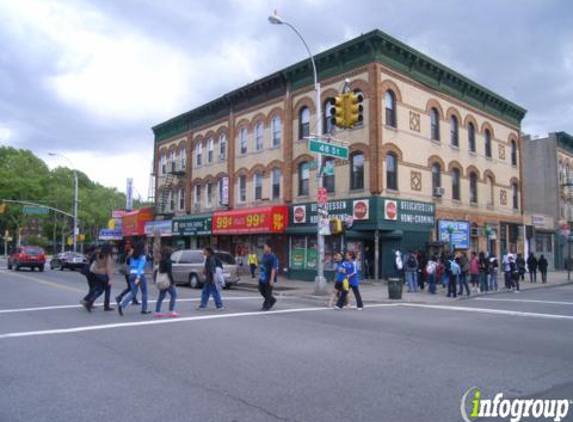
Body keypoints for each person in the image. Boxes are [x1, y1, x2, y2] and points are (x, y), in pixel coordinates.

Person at [117, 241, 150, 316]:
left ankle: (122, 305)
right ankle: (144, 309)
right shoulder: (142, 256)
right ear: (142, 247)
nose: (146, 247)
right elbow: (140, 267)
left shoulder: (132, 256)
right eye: (145, 246)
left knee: (133, 293)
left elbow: (129, 264)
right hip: (140, 274)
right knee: (144, 292)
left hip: (131, 274)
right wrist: (138, 277)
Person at [83, 243, 113, 312]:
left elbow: (92, 262)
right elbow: (108, 268)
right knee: (107, 289)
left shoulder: (97, 254)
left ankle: (89, 302)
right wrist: (110, 279)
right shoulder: (107, 256)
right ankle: (106, 306)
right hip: (103, 274)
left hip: (96, 274)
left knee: (100, 290)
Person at [154, 247, 178, 317]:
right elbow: (169, 273)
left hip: (161, 281)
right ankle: (171, 311)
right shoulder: (168, 261)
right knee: (174, 295)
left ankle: (157, 311)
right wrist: (173, 282)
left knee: (161, 297)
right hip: (167, 281)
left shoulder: (161, 261)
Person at [259, 242, 277, 311]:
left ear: (269, 248)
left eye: (265, 246)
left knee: (268, 292)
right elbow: (262, 265)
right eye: (264, 246)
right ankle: (272, 299)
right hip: (262, 277)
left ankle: (266, 305)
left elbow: (273, 268)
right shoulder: (264, 255)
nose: (264, 248)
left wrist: (272, 279)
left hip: (268, 277)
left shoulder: (272, 256)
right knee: (260, 289)